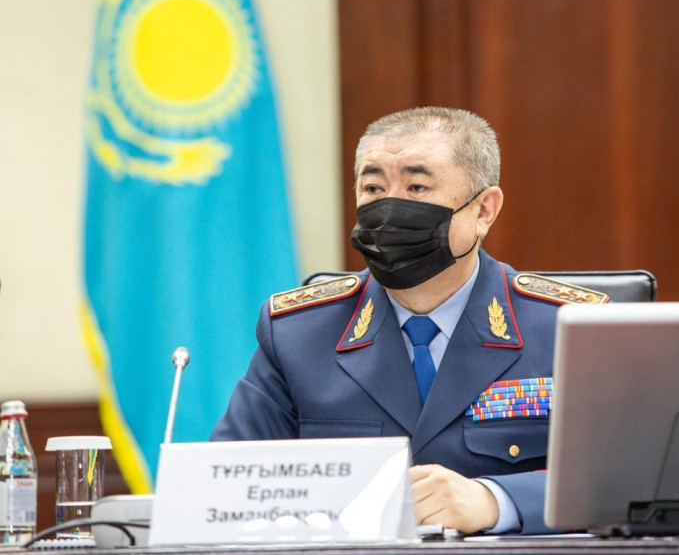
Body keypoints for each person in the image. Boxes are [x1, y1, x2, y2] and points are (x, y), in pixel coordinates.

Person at [211, 107, 608, 534]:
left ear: (484, 210)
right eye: (373, 188)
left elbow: (626, 480)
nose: (389, 208)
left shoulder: (571, 330)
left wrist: (495, 500)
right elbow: (229, 487)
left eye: (417, 187)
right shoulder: (297, 334)